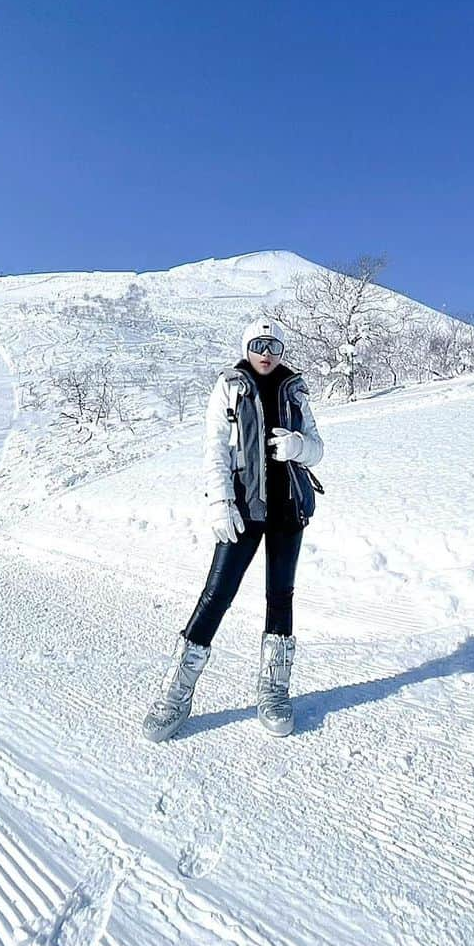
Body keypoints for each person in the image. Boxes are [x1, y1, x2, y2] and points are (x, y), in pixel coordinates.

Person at [142, 316, 325, 742]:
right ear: (247, 347)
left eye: (274, 347)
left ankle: (274, 690)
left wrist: (300, 447)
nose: (266, 353)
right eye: (259, 345)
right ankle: (176, 693)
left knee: (281, 597)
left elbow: (317, 448)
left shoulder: (296, 390)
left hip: (288, 511)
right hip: (243, 509)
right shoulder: (230, 385)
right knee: (216, 594)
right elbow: (214, 451)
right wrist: (220, 502)